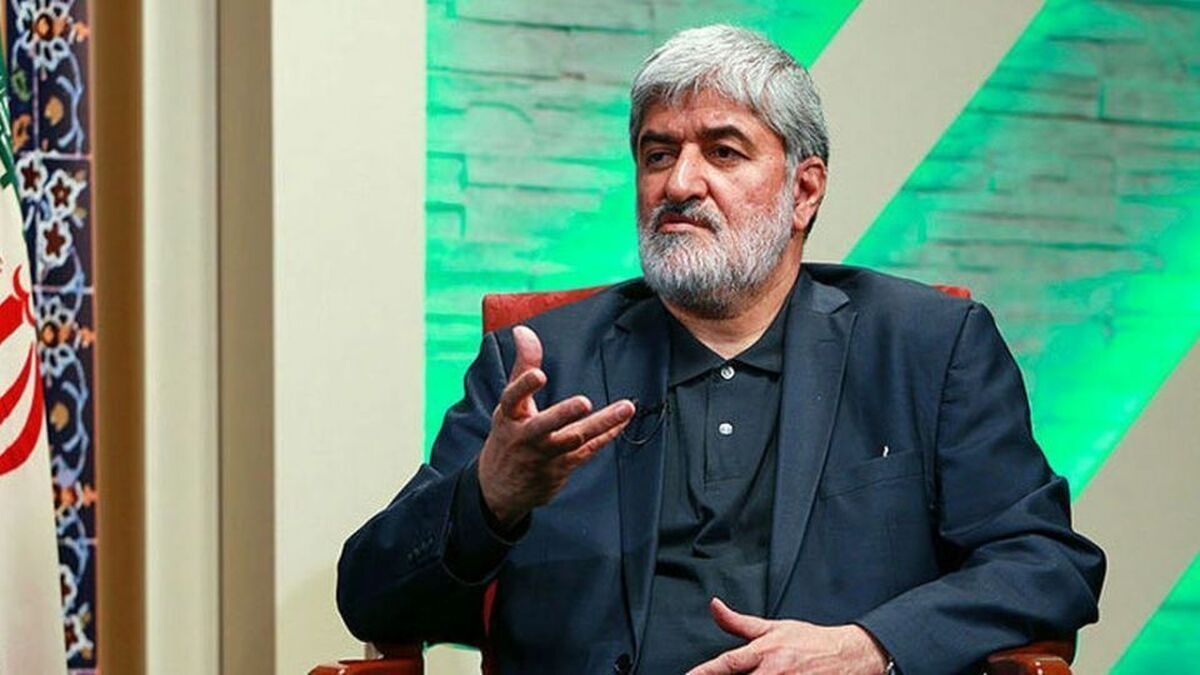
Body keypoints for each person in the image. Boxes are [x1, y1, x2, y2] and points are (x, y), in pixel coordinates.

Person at [337, 25, 1105, 674]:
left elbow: (1046, 562)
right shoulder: (539, 366)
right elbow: (369, 596)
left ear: (805, 190)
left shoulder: (925, 347)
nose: (680, 182)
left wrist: (870, 645)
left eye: (724, 152)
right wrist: (489, 497)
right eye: (657, 154)